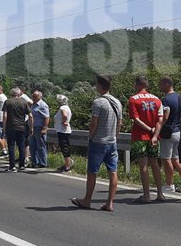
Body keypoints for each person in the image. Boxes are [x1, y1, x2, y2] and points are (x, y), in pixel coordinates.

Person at [71, 75, 122, 212]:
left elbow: (94, 123)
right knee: (113, 171)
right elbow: (119, 123)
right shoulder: (117, 102)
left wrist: (90, 138)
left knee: (92, 172)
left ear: (99, 86)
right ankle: (110, 203)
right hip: (112, 142)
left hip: (98, 142)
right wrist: (115, 137)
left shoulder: (98, 102)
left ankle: (87, 200)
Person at [129, 76, 165, 203]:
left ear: (137, 85)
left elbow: (136, 119)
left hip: (140, 136)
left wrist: (149, 129)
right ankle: (160, 193)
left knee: (143, 165)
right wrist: (155, 134)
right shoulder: (157, 99)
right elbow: (160, 120)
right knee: (155, 164)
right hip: (154, 137)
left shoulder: (133, 99)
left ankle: (147, 195)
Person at [158, 77, 181, 193]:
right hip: (178, 131)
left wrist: (158, 128)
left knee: (166, 159)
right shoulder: (179, 97)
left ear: (167, 84)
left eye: (161, 84)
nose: (159, 86)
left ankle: (169, 184)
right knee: (176, 159)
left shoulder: (166, 99)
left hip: (168, 133)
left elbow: (165, 116)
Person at [2, 88, 33, 172]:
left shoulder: (7, 102)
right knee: (21, 146)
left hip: (11, 127)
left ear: (11, 94)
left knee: (11, 147)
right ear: (19, 94)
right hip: (22, 127)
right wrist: (31, 127)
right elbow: (30, 116)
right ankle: (21, 165)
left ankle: (12, 166)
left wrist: (4, 128)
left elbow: (5, 116)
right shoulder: (24, 102)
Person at [29, 90, 50, 168]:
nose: (33, 98)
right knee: (32, 146)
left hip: (39, 127)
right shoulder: (33, 105)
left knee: (40, 146)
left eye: (35, 96)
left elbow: (46, 117)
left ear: (40, 97)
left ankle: (42, 163)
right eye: (33, 96)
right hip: (33, 127)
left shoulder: (43, 105)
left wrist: (44, 128)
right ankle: (35, 162)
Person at [55, 94, 74, 172]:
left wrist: (63, 122)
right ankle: (67, 163)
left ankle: (67, 165)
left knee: (64, 147)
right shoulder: (67, 107)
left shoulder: (62, 107)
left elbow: (65, 115)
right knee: (65, 147)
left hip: (62, 130)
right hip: (65, 130)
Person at [19, 87, 33, 166]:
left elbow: (30, 102)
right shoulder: (20, 97)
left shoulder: (23, 97)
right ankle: (23, 156)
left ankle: (26, 157)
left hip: (25, 120)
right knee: (22, 140)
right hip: (22, 120)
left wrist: (26, 109)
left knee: (25, 140)